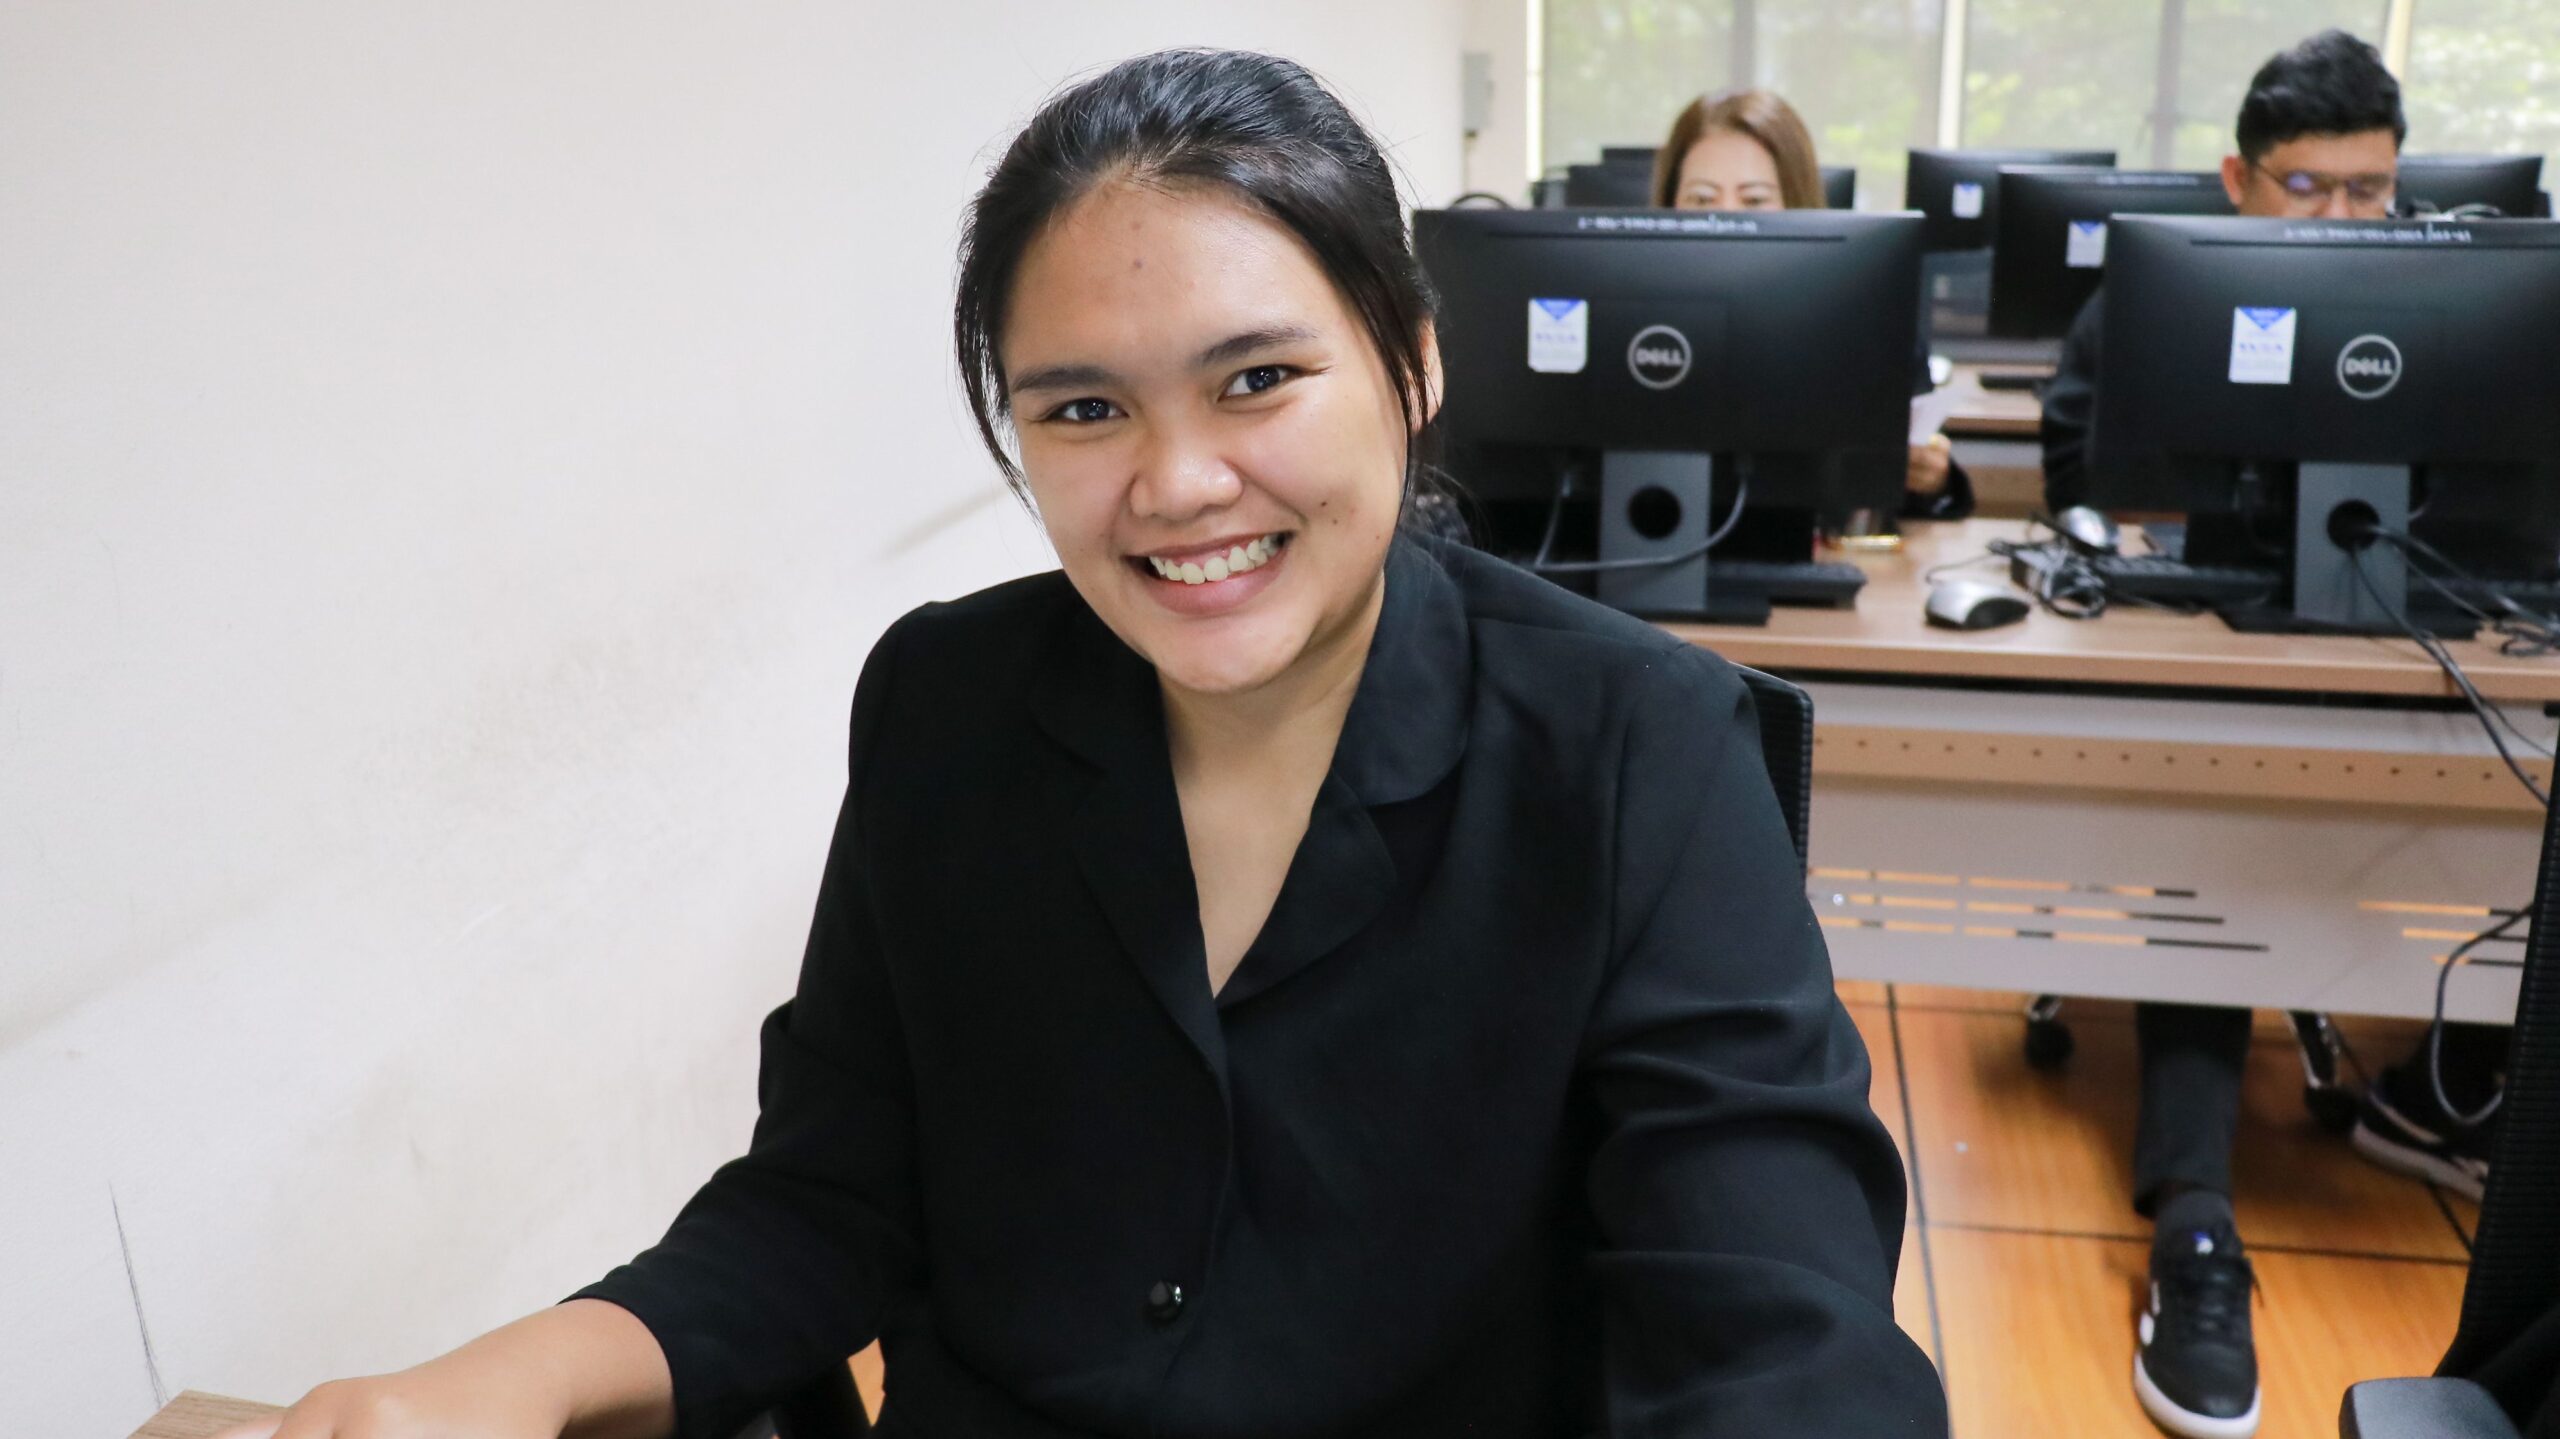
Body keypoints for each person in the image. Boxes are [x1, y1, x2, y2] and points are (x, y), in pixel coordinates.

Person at [223, 49, 1945, 1439]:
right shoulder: (947, 704)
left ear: (1411, 365)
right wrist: (502, 1376)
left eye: (1256, 379)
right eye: (1084, 407)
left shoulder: (1640, 748)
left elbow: (1774, 1325)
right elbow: (829, 1197)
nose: (1176, 482)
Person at [2040, 28, 2506, 1439]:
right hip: (2214, 656)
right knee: (2216, 850)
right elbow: (2075, 466)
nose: (2346, 218)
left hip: (2418, 645)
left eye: (2371, 190)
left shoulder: (2456, 296)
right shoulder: (2153, 298)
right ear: (2239, 180)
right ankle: (2195, 1214)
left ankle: (2451, 1089)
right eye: (2309, 188)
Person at [1655, 87, 1975, 524]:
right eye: (1701, 199)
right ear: (1670, 205)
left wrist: (1931, 478)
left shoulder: (1868, 324)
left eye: (1754, 200)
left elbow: (1905, 501)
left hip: (1818, 554)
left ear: (1796, 201)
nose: (1726, 218)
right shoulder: (1624, 324)